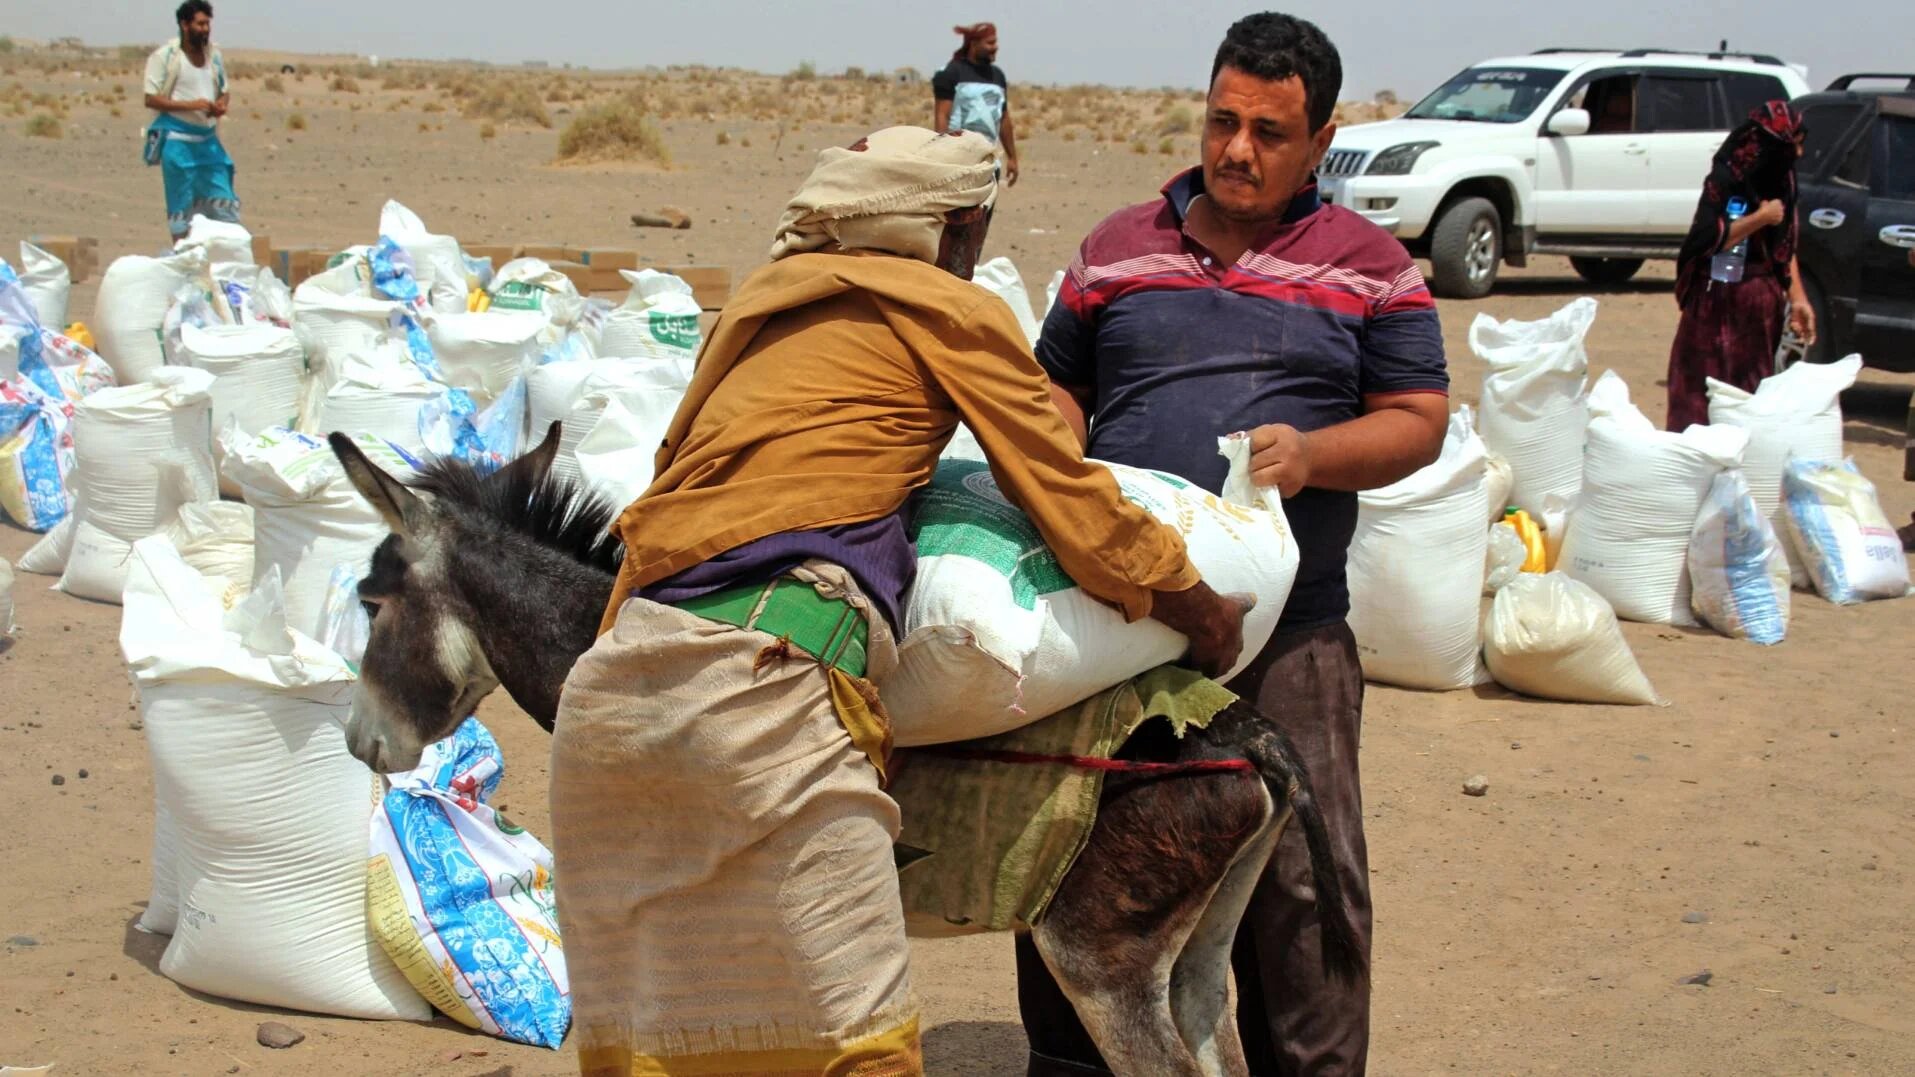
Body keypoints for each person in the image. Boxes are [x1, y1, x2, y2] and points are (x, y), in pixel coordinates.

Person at [548, 126, 1251, 1076]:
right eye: (978, 227)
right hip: (763, 692)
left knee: (667, 1040)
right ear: (955, 227)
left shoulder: (755, 307)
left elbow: (673, 480)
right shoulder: (946, 306)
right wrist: (1196, 604)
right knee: (856, 1048)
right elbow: (1069, 496)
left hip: (608, 702)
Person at [1017, 13, 1450, 1076]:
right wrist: (1065, 472)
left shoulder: (1372, 265)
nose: (1237, 150)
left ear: (1320, 143)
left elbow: (1417, 417)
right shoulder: (1116, 249)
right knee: (1074, 845)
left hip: (1286, 634)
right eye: (1222, 121)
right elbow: (1055, 387)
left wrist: (1309, 457)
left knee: (1302, 882)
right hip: (1117, 623)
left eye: (1268, 131)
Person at [1665, 102, 1815, 432]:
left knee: (1748, 394)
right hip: (1714, 300)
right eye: (1794, 145)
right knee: (1698, 393)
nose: (1800, 154)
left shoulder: (1783, 182)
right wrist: (1759, 218)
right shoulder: (1726, 179)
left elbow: (1784, 247)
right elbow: (1707, 239)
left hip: (1758, 305)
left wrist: (1799, 299)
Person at [142, 0, 240, 241]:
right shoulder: (165, 57)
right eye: (200, 24)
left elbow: (223, 90)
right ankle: (184, 264)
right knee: (182, 211)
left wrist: (220, 105)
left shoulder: (213, 56)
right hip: (178, 144)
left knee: (224, 205)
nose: (206, 29)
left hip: (208, 143)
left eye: (208, 24)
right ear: (185, 25)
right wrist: (191, 105)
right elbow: (151, 99)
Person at [933, 23, 1020, 187]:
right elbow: (942, 115)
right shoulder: (951, 73)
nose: (995, 47)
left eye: (996, 42)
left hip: (989, 163)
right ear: (974, 44)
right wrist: (941, 157)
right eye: (990, 43)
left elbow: (1004, 119)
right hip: (958, 163)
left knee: (985, 212)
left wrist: (1012, 157)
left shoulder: (997, 76)